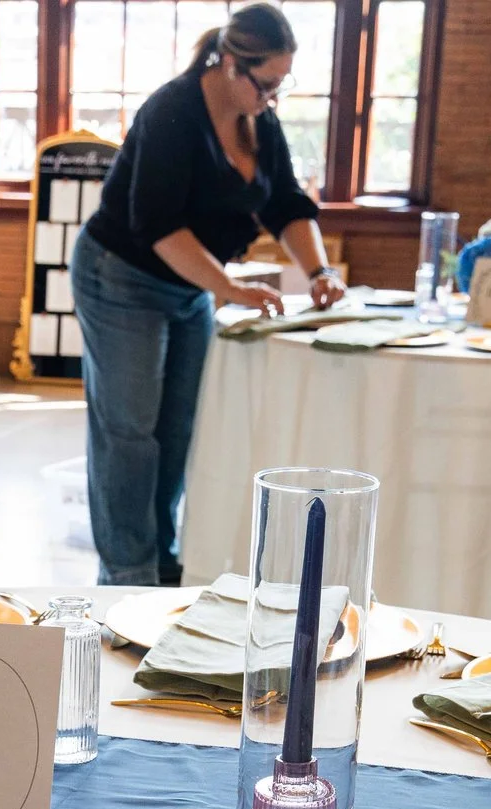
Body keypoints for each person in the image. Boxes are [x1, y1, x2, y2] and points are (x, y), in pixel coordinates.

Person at [71, 2, 344, 586]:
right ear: (229, 64)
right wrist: (229, 288)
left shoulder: (260, 125)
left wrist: (319, 273)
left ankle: (165, 562)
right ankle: (126, 575)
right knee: (129, 432)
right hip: (120, 275)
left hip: (188, 285)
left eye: (281, 84)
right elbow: (157, 226)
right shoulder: (172, 113)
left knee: (178, 431)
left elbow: (287, 206)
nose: (273, 98)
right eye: (266, 83)